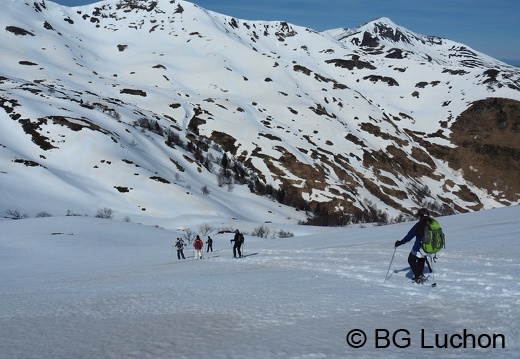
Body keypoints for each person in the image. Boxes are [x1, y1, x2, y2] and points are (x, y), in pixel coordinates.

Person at [394, 208, 433, 283]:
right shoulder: (432, 224)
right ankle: (419, 275)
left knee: (411, 259)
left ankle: (418, 276)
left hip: (418, 247)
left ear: (419, 216)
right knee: (421, 259)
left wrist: (401, 242)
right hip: (429, 247)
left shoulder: (419, 225)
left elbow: (409, 236)